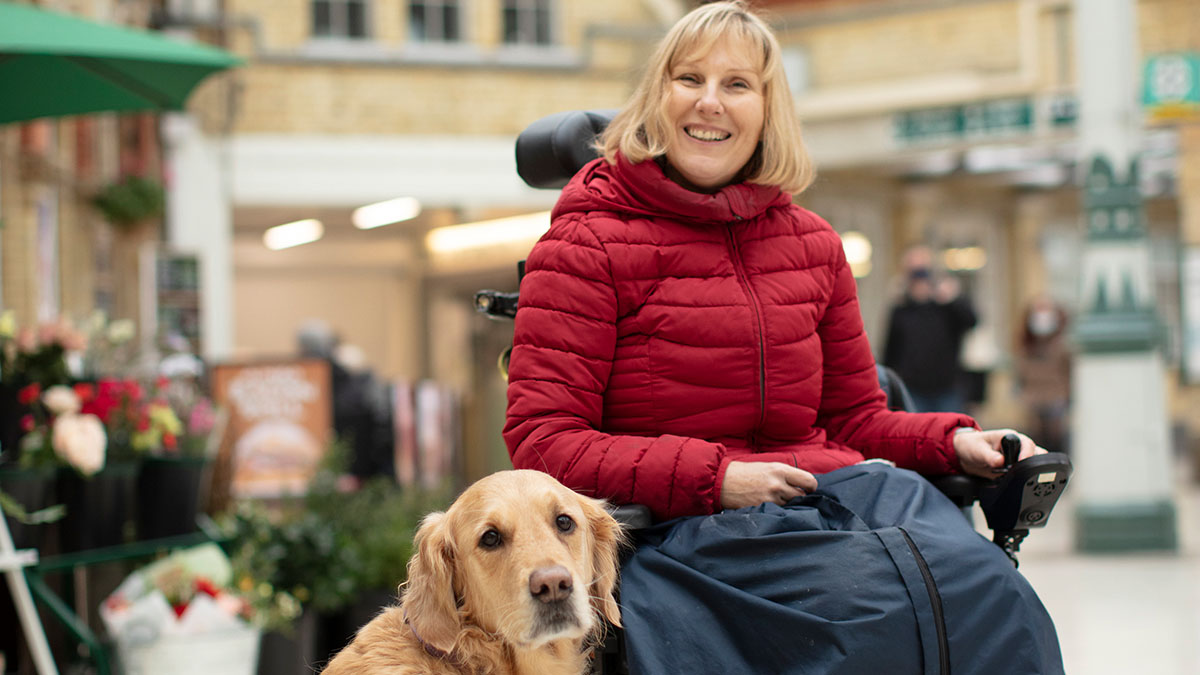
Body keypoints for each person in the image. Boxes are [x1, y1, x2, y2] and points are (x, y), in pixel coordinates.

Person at [503, 3, 1061, 672]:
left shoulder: (814, 245)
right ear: (658, 95)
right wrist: (719, 478)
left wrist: (955, 440)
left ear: (768, 109)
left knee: (994, 596)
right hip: (687, 528)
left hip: (832, 499)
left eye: (738, 85)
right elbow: (544, 438)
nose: (710, 102)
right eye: (689, 79)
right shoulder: (586, 245)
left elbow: (856, 416)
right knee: (864, 620)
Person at [882, 245, 979, 413]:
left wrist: (953, 299)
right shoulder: (901, 309)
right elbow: (890, 350)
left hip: (947, 388)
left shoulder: (946, 305)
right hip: (912, 388)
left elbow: (972, 322)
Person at [1015, 295, 1072, 454]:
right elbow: (1020, 374)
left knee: (1056, 444)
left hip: (1056, 402)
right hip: (1032, 402)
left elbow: (1068, 373)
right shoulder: (1025, 345)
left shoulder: (1063, 345)